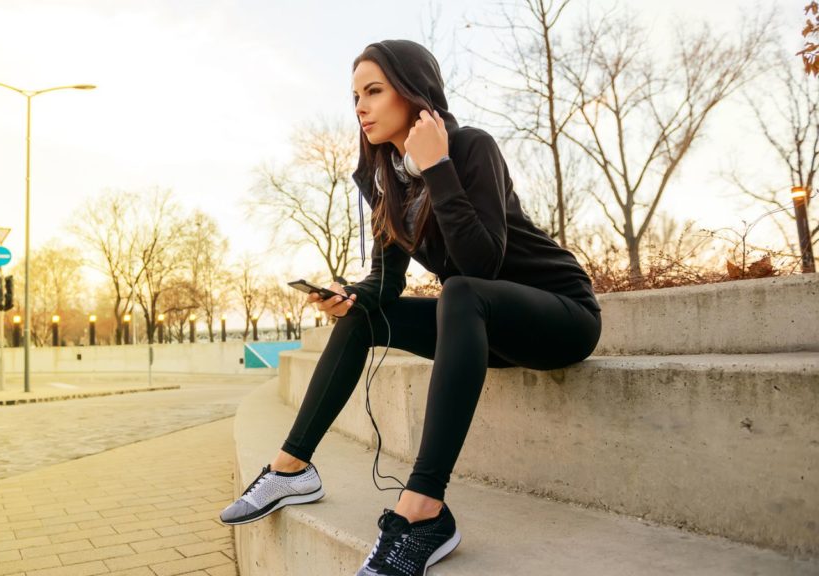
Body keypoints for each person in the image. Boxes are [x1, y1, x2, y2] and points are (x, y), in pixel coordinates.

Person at [220, 39, 601, 576]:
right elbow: (387, 282)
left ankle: (424, 510)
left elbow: (481, 266)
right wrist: (347, 295)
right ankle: (291, 468)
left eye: (374, 91)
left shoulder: (469, 148)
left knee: (461, 291)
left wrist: (438, 167)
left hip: (561, 317)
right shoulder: (388, 183)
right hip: (488, 331)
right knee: (362, 317)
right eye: (355, 95)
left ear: (413, 91)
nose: (360, 107)